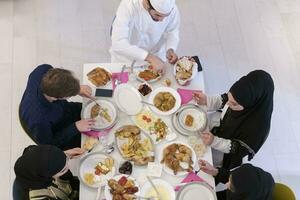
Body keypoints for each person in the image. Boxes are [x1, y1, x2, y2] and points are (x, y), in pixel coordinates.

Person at [193, 70, 274, 170]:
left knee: (198, 157)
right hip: (219, 125)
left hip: (224, 150)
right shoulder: (242, 94)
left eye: (234, 104)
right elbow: (226, 99)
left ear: (250, 104)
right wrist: (207, 100)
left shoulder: (257, 129)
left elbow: (238, 149)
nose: (227, 104)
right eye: (230, 100)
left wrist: (214, 141)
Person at [20, 64, 95, 150]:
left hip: (66, 110)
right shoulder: (39, 120)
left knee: (94, 109)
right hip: (61, 131)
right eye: (70, 95)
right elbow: (50, 144)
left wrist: (77, 89)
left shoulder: (43, 70)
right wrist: (75, 127)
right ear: (56, 98)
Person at [110, 0, 180, 71]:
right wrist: (149, 57)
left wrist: (170, 49)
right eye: (157, 15)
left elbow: (172, 31)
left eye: (165, 16)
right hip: (126, 60)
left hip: (157, 60)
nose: (161, 20)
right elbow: (118, 43)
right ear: (146, 3)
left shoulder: (172, 9)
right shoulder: (128, 6)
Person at [13, 145, 85, 200]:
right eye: (63, 170)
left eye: (67, 160)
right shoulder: (39, 197)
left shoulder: (33, 155)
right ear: (47, 176)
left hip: (74, 190)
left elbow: (46, 155)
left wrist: (63, 154)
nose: (68, 166)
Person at [199, 160, 275, 200]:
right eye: (230, 180)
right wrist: (214, 171)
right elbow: (236, 179)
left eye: (231, 187)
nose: (226, 185)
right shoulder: (248, 181)